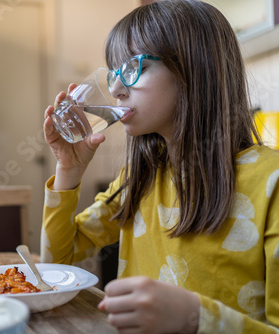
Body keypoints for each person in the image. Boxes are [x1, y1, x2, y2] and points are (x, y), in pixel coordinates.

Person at [41, 0, 279, 333]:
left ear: (194, 68)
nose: (114, 89)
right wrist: (68, 170)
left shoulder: (272, 182)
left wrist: (195, 317)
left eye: (132, 68)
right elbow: (57, 266)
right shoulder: (140, 178)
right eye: (114, 72)